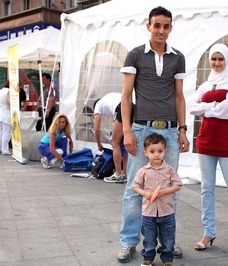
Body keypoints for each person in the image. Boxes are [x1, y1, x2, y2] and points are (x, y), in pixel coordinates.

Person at [118, 6, 189, 263]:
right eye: (157, 25)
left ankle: (166, 243)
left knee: (169, 189)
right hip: (142, 129)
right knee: (134, 188)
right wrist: (127, 130)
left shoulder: (178, 57)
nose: (161, 30)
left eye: (166, 26)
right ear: (148, 26)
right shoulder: (135, 55)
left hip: (170, 130)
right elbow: (126, 96)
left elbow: (179, 96)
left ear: (171, 28)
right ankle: (128, 242)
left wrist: (182, 129)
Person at [188, 43, 228, 253]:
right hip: (205, 141)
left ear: (227, 59)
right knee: (206, 189)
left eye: (220, 59)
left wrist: (207, 110)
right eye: (213, 59)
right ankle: (208, 231)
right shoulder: (206, 84)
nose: (216, 63)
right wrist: (213, 107)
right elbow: (192, 108)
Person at [133, 133, 183, 266]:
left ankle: (167, 259)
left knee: (168, 238)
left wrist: (165, 191)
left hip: (167, 212)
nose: (156, 155)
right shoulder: (143, 171)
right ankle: (148, 257)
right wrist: (144, 193)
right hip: (148, 213)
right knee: (149, 238)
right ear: (145, 153)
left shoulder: (169, 170)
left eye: (160, 151)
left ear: (165, 152)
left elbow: (178, 185)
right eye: (152, 151)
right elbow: (135, 186)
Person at [92, 92, 135, 183]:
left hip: (121, 107)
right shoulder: (108, 98)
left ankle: (118, 174)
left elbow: (96, 129)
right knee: (126, 141)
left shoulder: (98, 106)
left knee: (115, 143)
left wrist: (99, 143)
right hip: (132, 106)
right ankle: (125, 173)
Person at [0, 80, 12, 155]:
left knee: (0, 132)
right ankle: (5, 150)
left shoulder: (0, 91)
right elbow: (10, 101)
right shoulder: (9, 91)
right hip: (5, 114)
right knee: (6, 133)